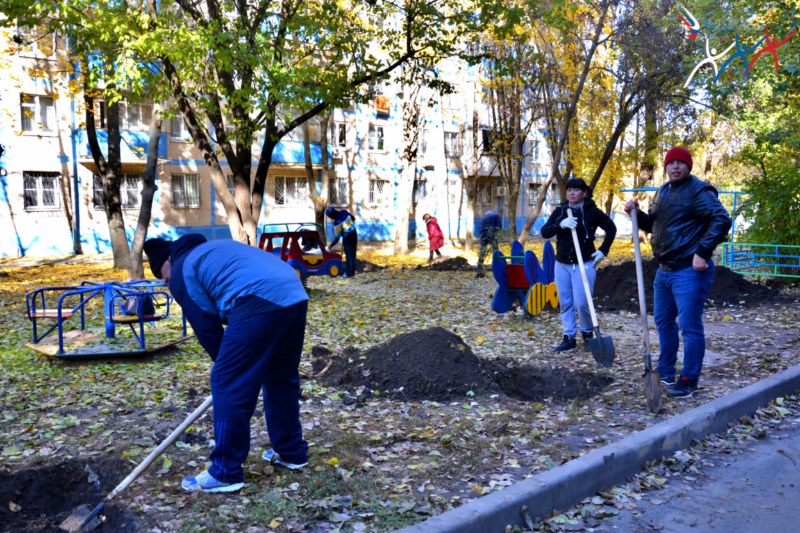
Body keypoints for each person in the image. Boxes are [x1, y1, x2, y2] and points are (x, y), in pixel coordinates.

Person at [143, 234, 309, 493]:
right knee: (280, 375)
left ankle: (225, 472)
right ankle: (291, 452)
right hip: (293, 292)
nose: (164, 281)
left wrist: (232, 373)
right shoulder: (211, 250)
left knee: (227, 380)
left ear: (168, 260)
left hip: (257, 298)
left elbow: (207, 329)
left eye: (161, 273)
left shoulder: (182, 269)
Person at [624, 146, 731, 398]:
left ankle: (688, 380)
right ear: (665, 167)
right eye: (671, 163)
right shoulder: (663, 191)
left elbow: (721, 219)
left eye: (680, 163)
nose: (675, 167)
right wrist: (636, 214)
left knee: (689, 326)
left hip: (689, 270)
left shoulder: (698, 191)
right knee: (663, 322)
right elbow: (655, 226)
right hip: (664, 270)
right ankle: (665, 373)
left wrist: (702, 252)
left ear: (688, 166)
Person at [540, 178, 616, 353]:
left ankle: (587, 333)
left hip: (585, 263)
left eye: (576, 189)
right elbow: (545, 232)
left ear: (584, 193)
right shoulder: (561, 210)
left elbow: (611, 229)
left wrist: (603, 250)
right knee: (565, 302)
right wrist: (560, 224)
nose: (572, 193)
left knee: (582, 303)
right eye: (569, 190)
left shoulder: (592, 211)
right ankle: (569, 337)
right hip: (562, 264)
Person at [326, 207, 358, 278]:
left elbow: (337, 238)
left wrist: (330, 246)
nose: (331, 219)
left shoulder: (336, 223)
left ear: (332, 216)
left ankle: (348, 274)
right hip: (354, 234)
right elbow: (353, 218)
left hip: (347, 238)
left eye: (330, 217)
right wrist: (348, 225)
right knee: (353, 254)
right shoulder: (344, 212)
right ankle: (352, 273)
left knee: (349, 255)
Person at [476, 209, 502, 274]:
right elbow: (499, 226)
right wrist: (497, 234)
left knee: (482, 250)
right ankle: (495, 266)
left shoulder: (483, 219)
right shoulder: (496, 215)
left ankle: (479, 266)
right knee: (495, 250)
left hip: (483, 233)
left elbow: (480, 228)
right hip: (491, 231)